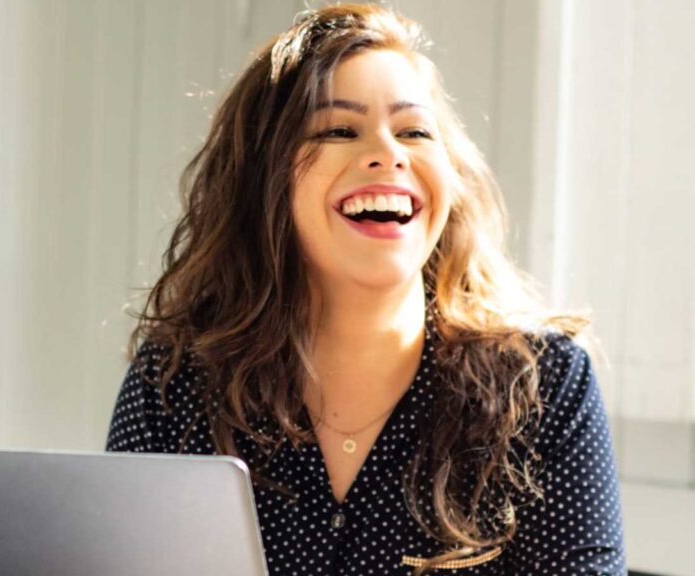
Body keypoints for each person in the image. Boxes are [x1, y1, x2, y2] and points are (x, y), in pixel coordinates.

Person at [106, 4, 625, 575]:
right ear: (266, 179)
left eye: (414, 131)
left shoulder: (546, 389)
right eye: (339, 130)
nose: (388, 152)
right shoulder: (175, 387)